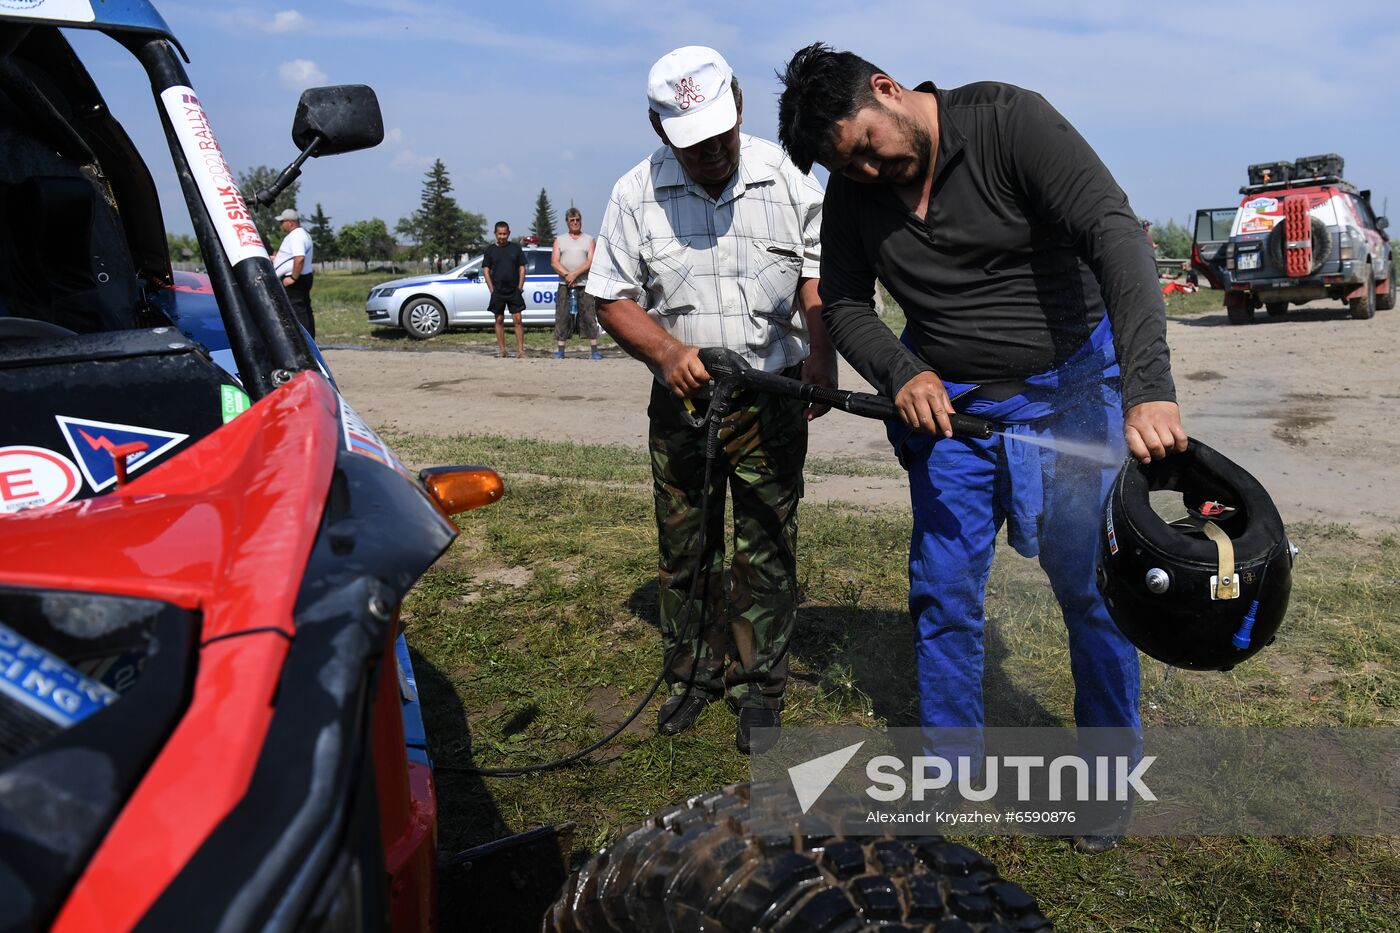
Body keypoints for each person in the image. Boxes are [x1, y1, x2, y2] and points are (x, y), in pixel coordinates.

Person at [777, 44, 1188, 846]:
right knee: (943, 589)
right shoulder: (853, 194)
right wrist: (902, 370)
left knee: (1094, 588)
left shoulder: (1010, 123)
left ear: (889, 91)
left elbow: (1117, 238)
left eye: (866, 147)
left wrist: (1148, 385)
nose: (866, 172)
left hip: (1074, 388)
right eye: (846, 167)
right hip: (952, 412)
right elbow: (848, 304)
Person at [587, 46, 836, 755]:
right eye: (695, 146)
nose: (713, 154)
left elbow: (816, 273)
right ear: (659, 130)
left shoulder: (784, 175)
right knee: (686, 545)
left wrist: (822, 352)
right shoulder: (636, 193)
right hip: (686, 403)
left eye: (722, 137)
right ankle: (693, 675)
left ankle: (760, 684)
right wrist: (669, 354)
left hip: (771, 396)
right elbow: (610, 296)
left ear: (740, 108)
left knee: (766, 542)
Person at [550, 208, 601, 359]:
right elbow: (554, 262)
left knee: (589, 316)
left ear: (581, 221)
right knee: (562, 316)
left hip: (584, 284)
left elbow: (591, 261)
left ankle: (594, 350)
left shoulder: (589, 239)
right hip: (565, 284)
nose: (575, 223)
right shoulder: (560, 240)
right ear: (567, 222)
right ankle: (560, 350)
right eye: (572, 220)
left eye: (577, 220)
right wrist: (567, 275)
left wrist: (575, 274)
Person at [483, 221, 526, 358]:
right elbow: (486, 270)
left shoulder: (515, 248)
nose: (502, 236)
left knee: (518, 319)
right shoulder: (490, 250)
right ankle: (502, 350)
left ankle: (520, 351)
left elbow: (522, 267)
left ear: (509, 233)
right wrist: (492, 289)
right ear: (495, 233)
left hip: (514, 290)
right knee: (499, 319)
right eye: (500, 234)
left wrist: (520, 287)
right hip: (498, 291)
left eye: (504, 234)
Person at [272, 208, 315, 337]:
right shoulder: (303, 234)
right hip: (303, 276)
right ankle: (308, 339)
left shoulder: (296, 236)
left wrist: (293, 278)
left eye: (282, 222)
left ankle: (304, 339)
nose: (281, 225)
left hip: (296, 279)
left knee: (297, 310)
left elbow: (299, 258)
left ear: (290, 222)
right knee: (304, 309)